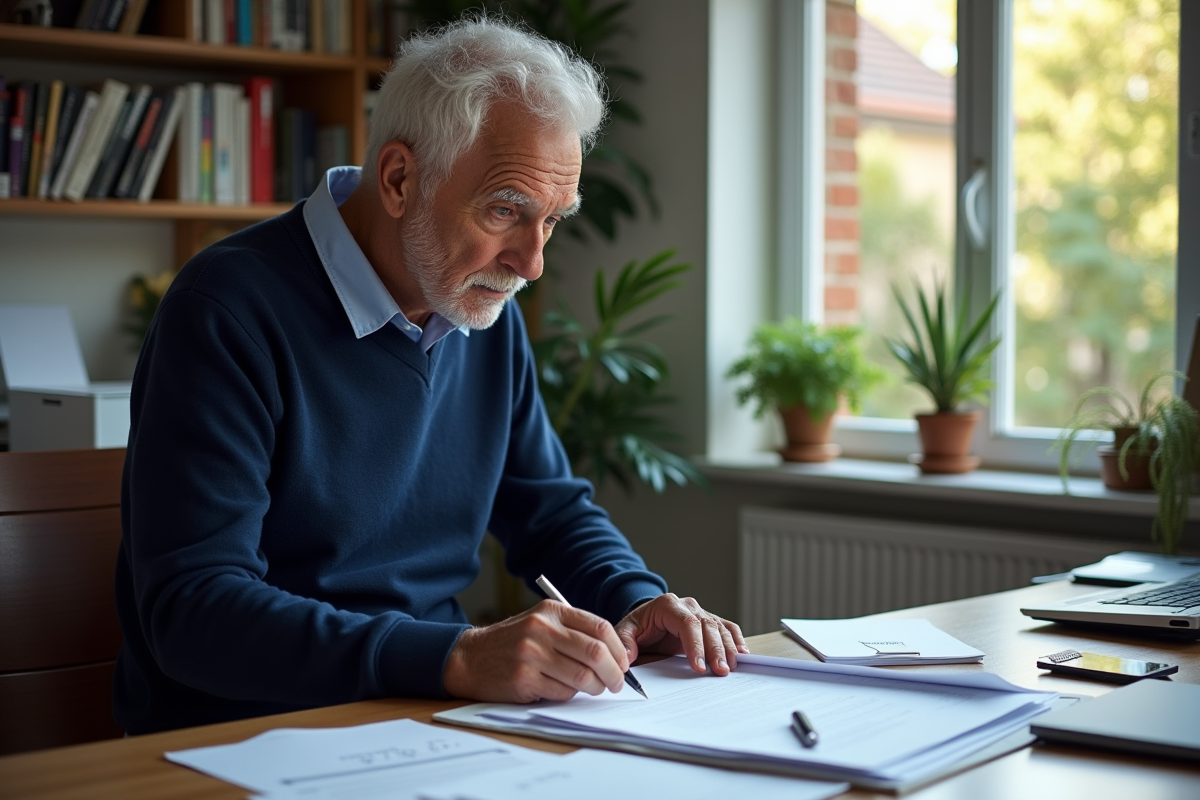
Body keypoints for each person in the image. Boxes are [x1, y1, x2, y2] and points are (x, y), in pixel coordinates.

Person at [113, 17, 744, 736]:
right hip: (241, 733)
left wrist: (636, 600)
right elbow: (195, 611)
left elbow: (551, 514)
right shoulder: (226, 309)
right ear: (399, 178)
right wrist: (455, 656)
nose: (531, 264)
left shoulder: (481, 311)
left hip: (428, 718)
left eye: (552, 221)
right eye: (506, 210)